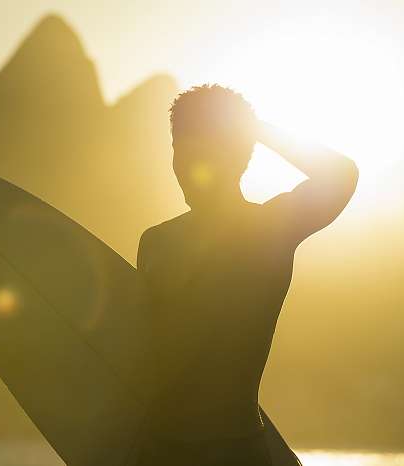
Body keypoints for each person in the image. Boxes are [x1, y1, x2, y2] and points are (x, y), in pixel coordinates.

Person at [135, 84, 359, 465]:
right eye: (178, 151)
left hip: (236, 450)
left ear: (236, 157)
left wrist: (254, 128)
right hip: (161, 452)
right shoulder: (156, 242)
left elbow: (341, 174)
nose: (183, 167)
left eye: (198, 153)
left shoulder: (269, 231)